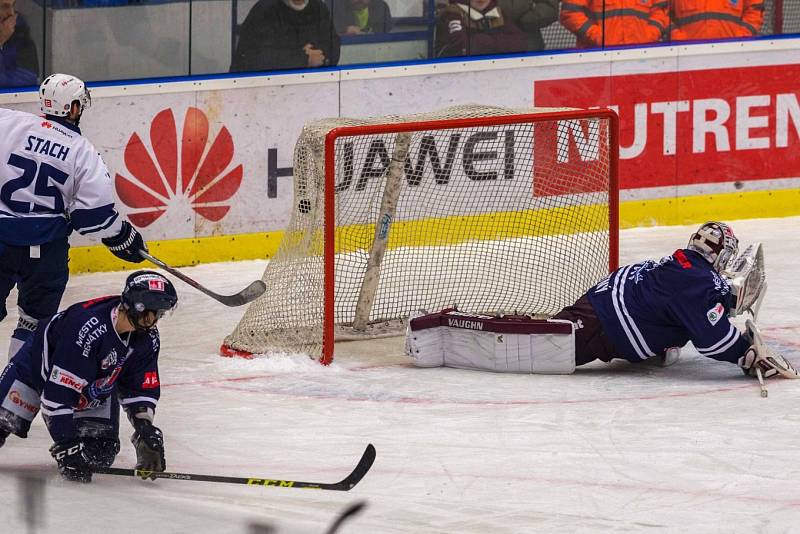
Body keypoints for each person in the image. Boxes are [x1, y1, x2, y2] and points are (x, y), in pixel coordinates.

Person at [407, 222, 798, 380]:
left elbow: (697, 305)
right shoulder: (695, 282)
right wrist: (747, 355)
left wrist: (723, 302)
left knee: (668, 338)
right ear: (718, 253)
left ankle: (646, 348)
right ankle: (444, 329)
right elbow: (712, 340)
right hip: (602, 322)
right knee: (540, 343)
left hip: (606, 304)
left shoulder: (689, 267)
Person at [0, 73, 149, 360]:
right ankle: (12, 393)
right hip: (44, 251)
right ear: (73, 108)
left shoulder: (8, 122)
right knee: (34, 323)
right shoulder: (83, 152)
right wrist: (120, 235)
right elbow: (92, 217)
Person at [0, 270, 177, 483]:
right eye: (155, 312)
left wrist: (144, 428)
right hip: (34, 372)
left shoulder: (147, 337)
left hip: (95, 387)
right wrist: (66, 446)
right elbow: (57, 397)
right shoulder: (85, 328)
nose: (157, 318)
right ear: (138, 308)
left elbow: (139, 388)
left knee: (99, 454)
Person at [230, 0, 341, 73]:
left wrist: (319, 56)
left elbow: (333, 46)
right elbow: (254, 59)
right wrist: (303, 59)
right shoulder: (264, 10)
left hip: (310, 89)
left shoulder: (319, 8)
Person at [435, 0, 529, 58]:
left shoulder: (498, 13)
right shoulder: (453, 14)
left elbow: (521, 42)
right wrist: (499, 44)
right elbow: (460, 47)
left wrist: (487, 42)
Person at [559, 0, 669, 48]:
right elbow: (570, 14)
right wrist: (600, 38)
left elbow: (660, 12)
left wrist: (647, 37)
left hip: (640, 58)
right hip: (597, 60)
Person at [669, 0, 763, 41]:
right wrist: (678, 38)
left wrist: (740, 39)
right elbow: (663, 12)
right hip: (687, 58)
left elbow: (755, 10)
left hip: (732, 57)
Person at [0, 0, 39, 87]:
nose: (11, 13)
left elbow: (31, 77)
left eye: (13, 6)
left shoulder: (19, 30)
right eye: (5, 7)